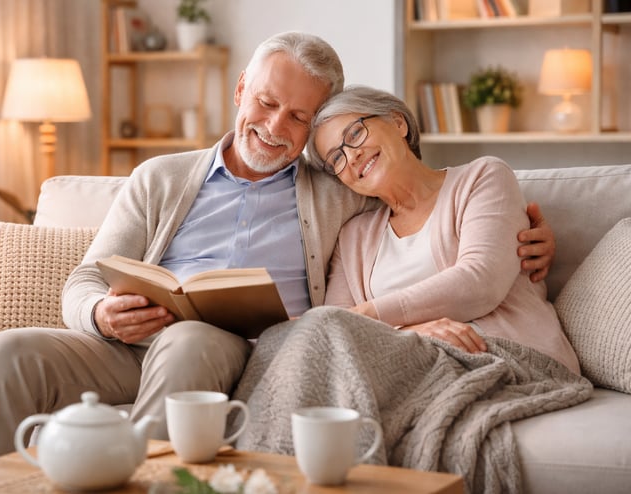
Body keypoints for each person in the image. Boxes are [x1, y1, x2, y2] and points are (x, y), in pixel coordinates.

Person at [0, 34, 555, 477]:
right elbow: (86, 277)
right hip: (123, 342)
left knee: (189, 340)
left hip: (225, 345)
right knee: (11, 349)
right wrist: (98, 313)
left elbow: (425, 221)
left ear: (314, 129)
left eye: (299, 116)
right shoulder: (160, 177)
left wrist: (532, 239)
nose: (276, 125)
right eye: (266, 102)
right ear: (239, 91)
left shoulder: (339, 189)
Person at [232, 86, 587, 493]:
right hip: (414, 360)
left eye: (355, 135)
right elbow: (339, 330)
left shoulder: (482, 177)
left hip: (499, 352)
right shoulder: (354, 236)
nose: (352, 157)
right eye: (337, 158)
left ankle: (257, 483)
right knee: (290, 337)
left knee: (316, 332)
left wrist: (374, 317)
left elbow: (479, 281)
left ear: (398, 123)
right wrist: (411, 333)